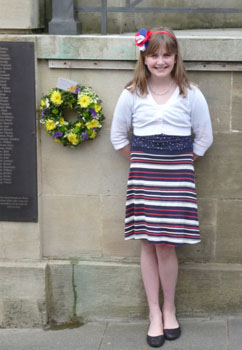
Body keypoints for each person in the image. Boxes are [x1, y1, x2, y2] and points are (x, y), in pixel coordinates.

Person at [110, 26, 213, 348]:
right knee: (148, 244)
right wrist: (144, 161)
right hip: (144, 178)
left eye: (166, 55)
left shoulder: (191, 93)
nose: (160, 61)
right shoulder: (131, 94)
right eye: (153, 55)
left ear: (175, 57)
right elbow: (117, 137)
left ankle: (170, 309)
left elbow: (204, 138)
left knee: (167, 245)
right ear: (144, 57)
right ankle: (153, 313)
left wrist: (178, 162)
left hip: (177, 179)